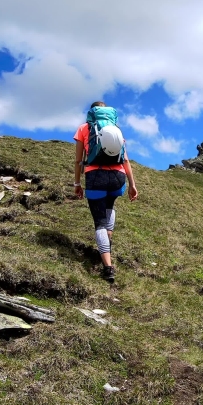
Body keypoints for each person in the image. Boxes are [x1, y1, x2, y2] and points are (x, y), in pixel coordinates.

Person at [73, 101, 138, 282]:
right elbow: (125, 160)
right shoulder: (116, 129)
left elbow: (79, 161)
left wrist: (77, 183)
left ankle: (108, 268)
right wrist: (132, 185)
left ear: (92, 112)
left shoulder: (84, 128)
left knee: (99, 221)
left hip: (95, 176)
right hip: (118, 176)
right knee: (110, 206)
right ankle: (106, 246)